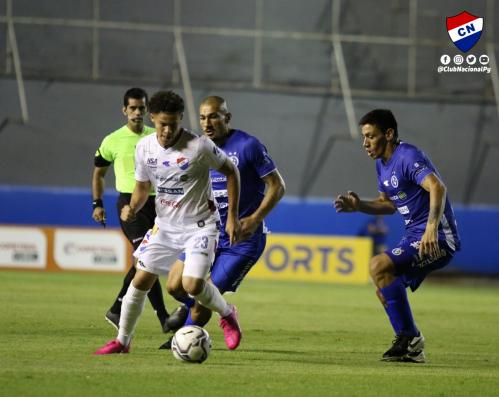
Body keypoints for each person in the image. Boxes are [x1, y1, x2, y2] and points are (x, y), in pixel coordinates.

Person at [94, 90, 242, 354]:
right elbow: (142, 187)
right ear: (153, 119)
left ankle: (228, 314)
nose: (166, 131)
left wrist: (232, 217)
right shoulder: (145, 147)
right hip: (164, 227)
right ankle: (123, 341)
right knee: (140, 280)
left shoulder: (199, 146)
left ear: (180, 120)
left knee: (192, 285)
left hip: (200, 225)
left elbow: (232, 172)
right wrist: (132, 207)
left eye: (173, 125)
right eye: (162, 124)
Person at [334, 109, 460, 363]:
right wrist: (359, 206)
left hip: (439, 238)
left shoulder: (408, 156)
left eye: (371, 136)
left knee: (377, 265)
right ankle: (412, 347)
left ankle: (409, 338)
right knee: (385, 288)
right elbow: (388, 204)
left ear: (389, 134)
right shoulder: (382, 164)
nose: (365, 143)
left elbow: (437, 186)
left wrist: (431, 228)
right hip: (415, 235)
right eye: (363, 137)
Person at [161, 95, 286, 350]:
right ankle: (212, 309)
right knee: (174, 285)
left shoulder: (248, 146)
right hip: (206, 232)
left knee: (203, 296)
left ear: (226, 118)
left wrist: (254, 218)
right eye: (203, 117)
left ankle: (183, 340)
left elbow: (277, 186)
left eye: (214, 116)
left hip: (242, 240)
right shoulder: (198, 148)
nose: (207, 123)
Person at [92, 87, 170, 332]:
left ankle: (116, 310)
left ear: (148, 111)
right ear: (124, 110)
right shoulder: (112, 140)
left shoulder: (156, 136)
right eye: (132, 108)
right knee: (148, 258)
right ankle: (164, 319)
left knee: (145, 260)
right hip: (130, 205)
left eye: (141, 108)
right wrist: (97, 203)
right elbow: (99, 173)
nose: (137, 112)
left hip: (159, 204)